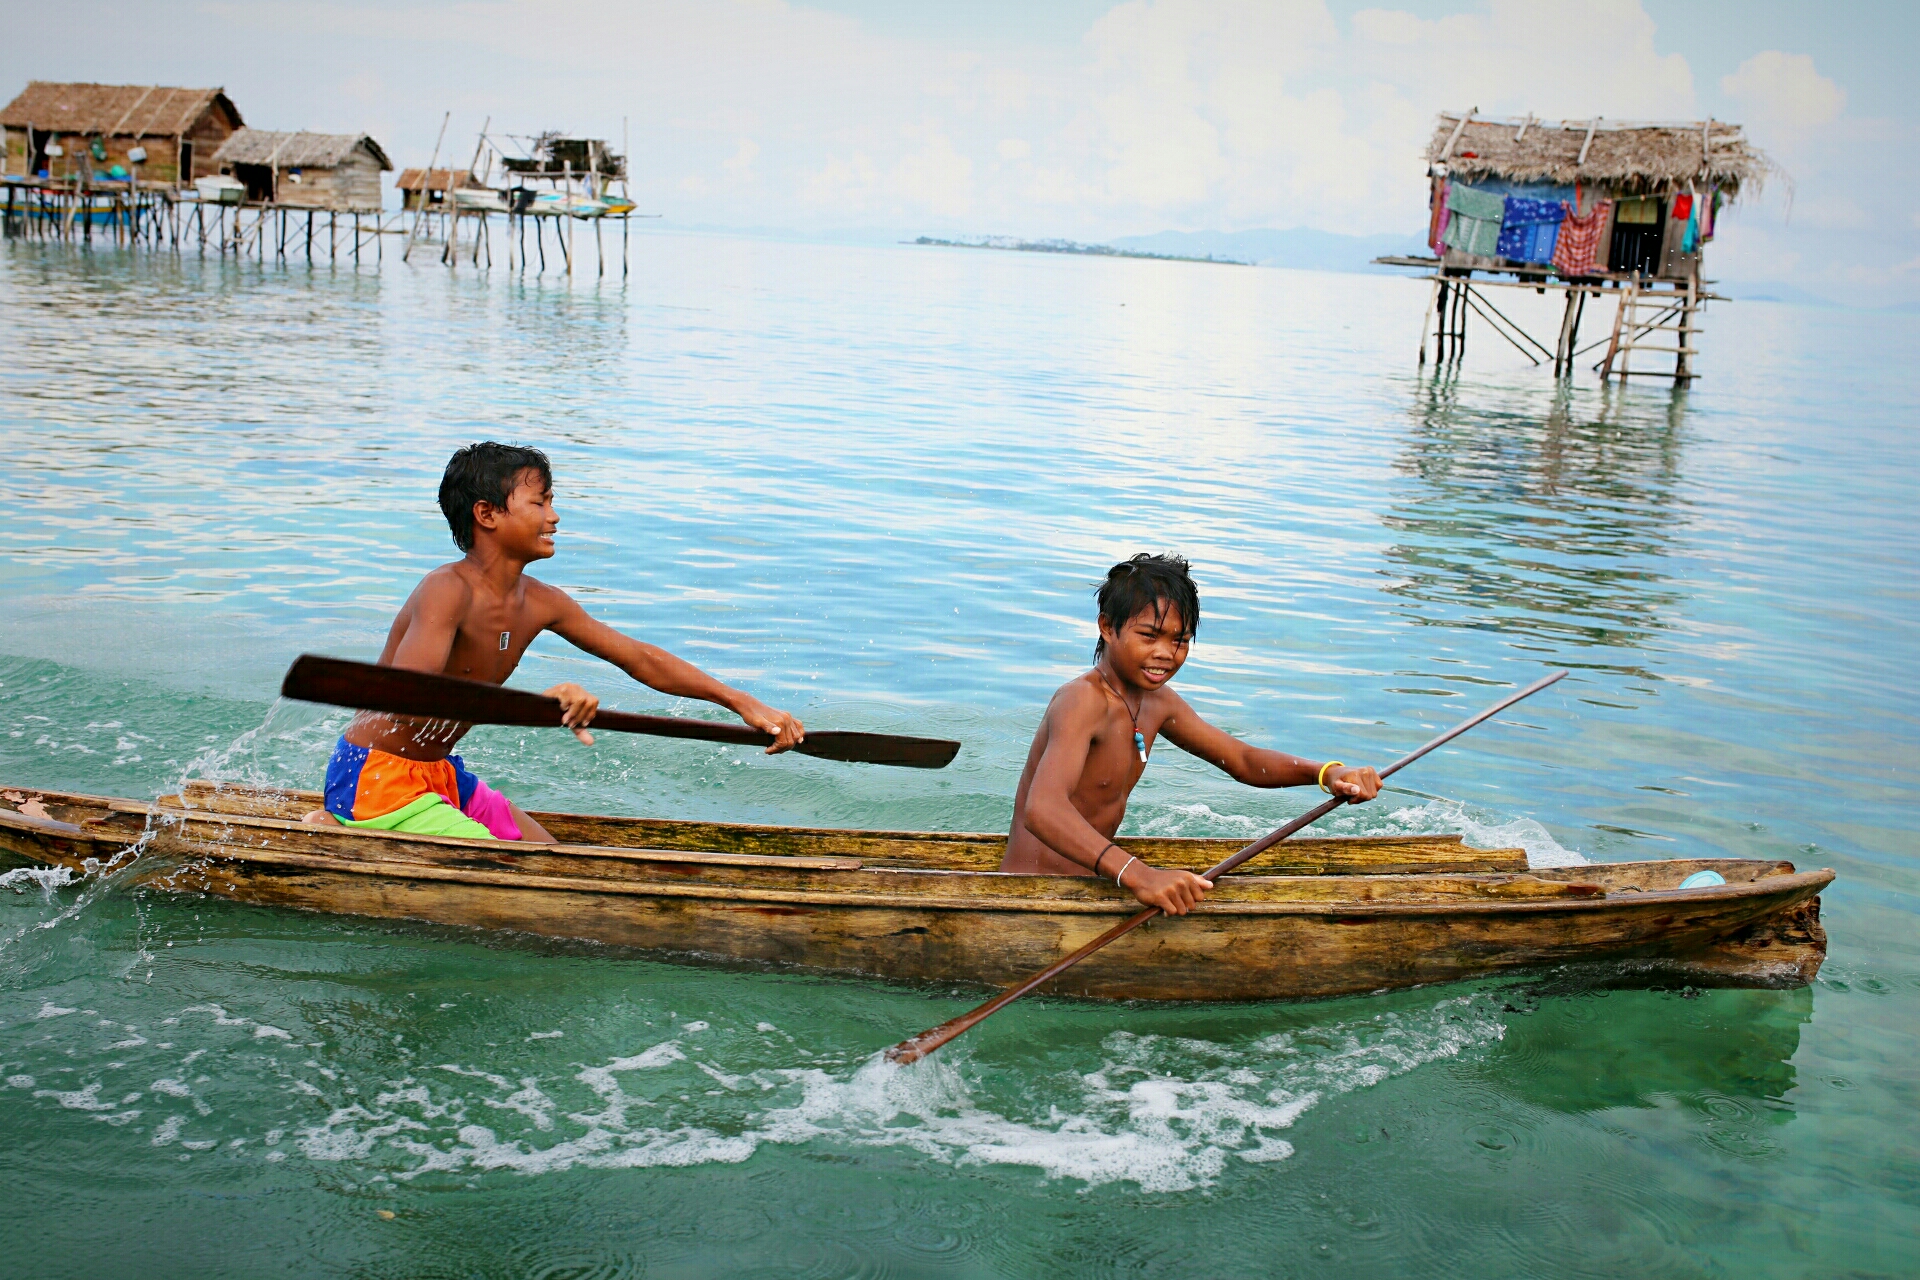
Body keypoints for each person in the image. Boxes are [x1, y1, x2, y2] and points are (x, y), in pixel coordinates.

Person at [305, 442, 804, 842]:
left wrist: (742, 702)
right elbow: (406, 704)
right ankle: (341, 825)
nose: (554, 516)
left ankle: (357, 828)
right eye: (539, 502)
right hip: (376, 778)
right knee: (511, 872)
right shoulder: (446, 590)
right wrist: (538, 703)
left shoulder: (542, 602)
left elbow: (639, 659)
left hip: (439, 774)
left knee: (547, 854)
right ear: (487, 514)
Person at [1000, 554, 1382, 913]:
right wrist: (1138, 874)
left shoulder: (1156, 703)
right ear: (1106, 627)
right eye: (1149, 636)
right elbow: (1043, 809)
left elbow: (1245, 761)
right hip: (1031, 896)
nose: (1166, 653)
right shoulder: (1082, 700)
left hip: (1094, 888)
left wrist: (1328, 774)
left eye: (1179, 641)